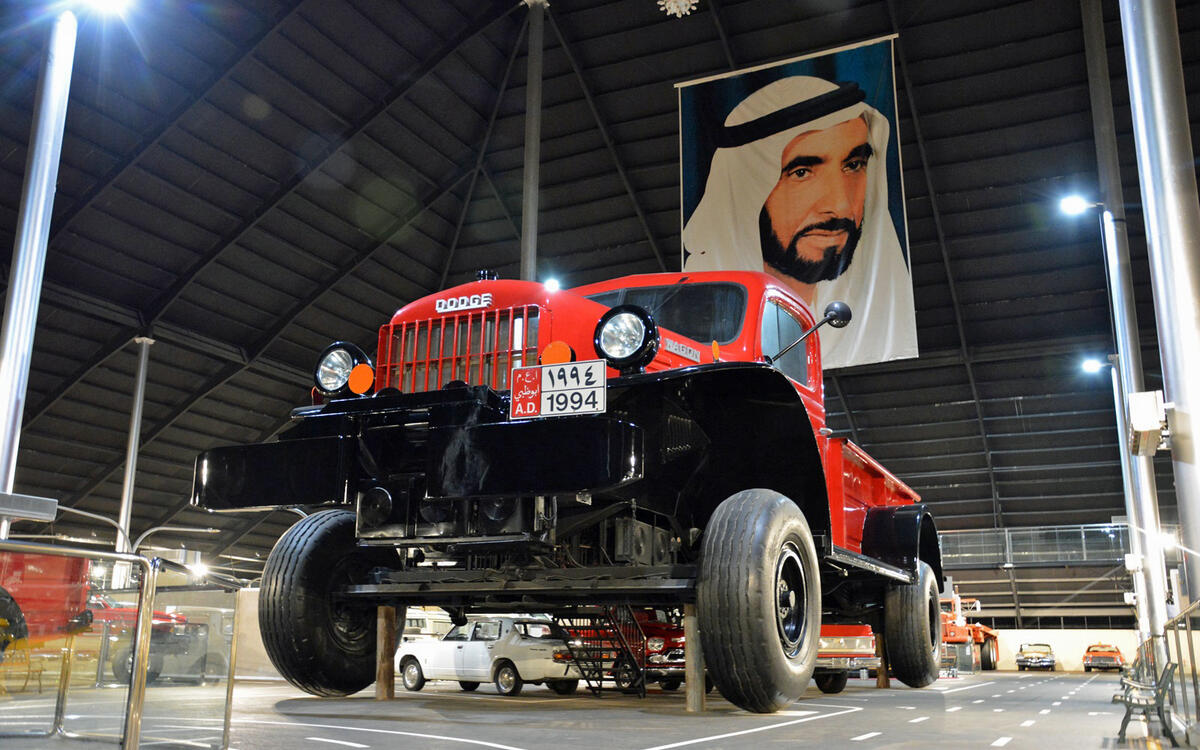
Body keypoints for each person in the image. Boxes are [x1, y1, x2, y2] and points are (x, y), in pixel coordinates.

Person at [682, 76, 917, 370]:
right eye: (802, 172)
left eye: (853, 165)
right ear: (747, 193)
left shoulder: (856, 310)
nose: (840, 206)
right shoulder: (693, 318)